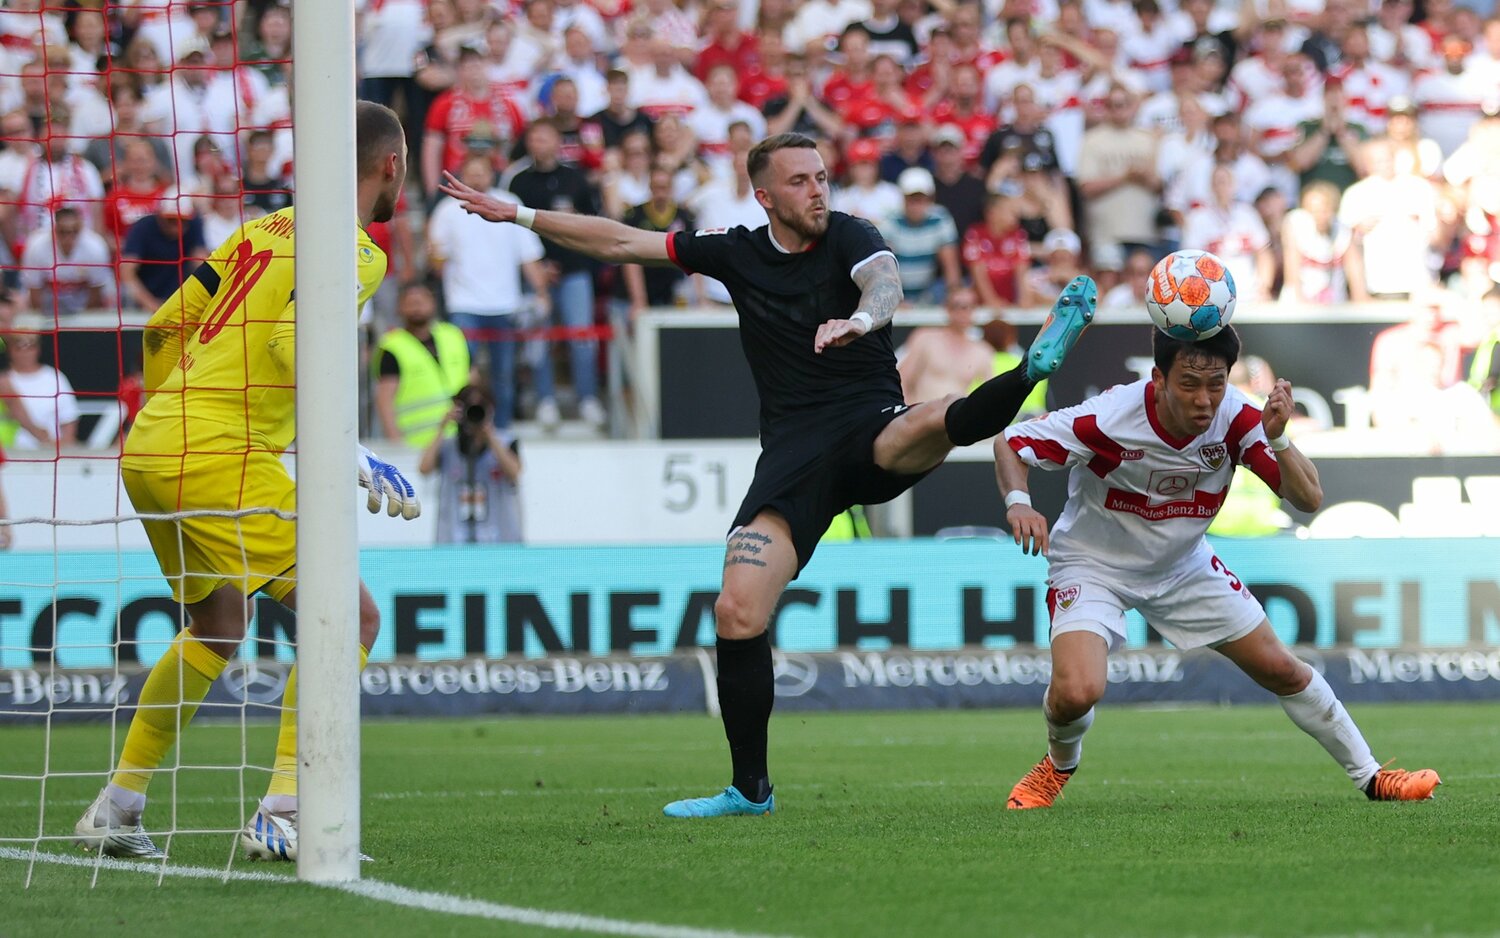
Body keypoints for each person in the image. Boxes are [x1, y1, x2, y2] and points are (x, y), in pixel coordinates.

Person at [438, 131, 1098, 818]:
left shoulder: (850, 234)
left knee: (931, 420)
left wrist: (860, 320)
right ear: (765, 196)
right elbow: (619, 242)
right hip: (792, 457)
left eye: (821, 176)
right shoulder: (738, 252)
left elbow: (886, 283)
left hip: (869, 422)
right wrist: (517, 215)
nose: (819, 190)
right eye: (801, 182)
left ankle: (1029, 369)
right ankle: (750, 790)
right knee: (737, 610)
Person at [74, 101, 421, 862]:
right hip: (220, 452)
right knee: (352, 617)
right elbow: (293, 342)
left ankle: (118, 805)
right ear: (390, 165)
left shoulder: (259, 230)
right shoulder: (358, 250)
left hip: (153, 446)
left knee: (218, 626)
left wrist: (172, 411)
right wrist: (351, 452)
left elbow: (164, 326)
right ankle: (285, 809)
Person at [994, 325, 1441, 809]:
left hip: (1182, 564)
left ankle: (1373, 777)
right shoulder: (1109, 417)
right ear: (1158, 379)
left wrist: (1279, 440)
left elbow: (1309, 498)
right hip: (1093, 564)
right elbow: (1012, 444)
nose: (1205, 399)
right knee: (1077, 692)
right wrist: (1018, 502)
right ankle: (1058, 766)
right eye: (1189, 384)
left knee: (1282, 669)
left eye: (1217, 383)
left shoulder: (1239, 420)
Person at [427, 153, 550, 429]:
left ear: (491, 174)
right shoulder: (447, 210)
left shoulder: (511, 204)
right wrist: (434, 256)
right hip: (463, 303)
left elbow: (528, 256)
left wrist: (542, 292)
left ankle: (502, 430)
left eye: (481, 171)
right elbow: (437, 262)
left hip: (505, 303)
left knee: (504, 374)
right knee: (459, 373)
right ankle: (460, 428)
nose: (477, 177)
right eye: (471, 172)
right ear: (462, 175)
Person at [419, 383, 524, 544]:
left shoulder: (505, 442)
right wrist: (443, 427)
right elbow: (424, 468)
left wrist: (489, 434)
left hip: (500, 541)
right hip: (456, 541)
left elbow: (514, 472)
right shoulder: (448, 447)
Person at [374, 282, 472, 447]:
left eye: (421, 302)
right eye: (410, 303)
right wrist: (396, 443)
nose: (416, 308)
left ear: (433, 303)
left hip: (459, 439)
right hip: (416, 444)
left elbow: (472, 378)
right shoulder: (392, 346)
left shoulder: (453, 336)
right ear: (399, 308)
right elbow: (384, 400)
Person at [896, 286, 994, 403]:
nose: (963, 312)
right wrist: (906, 412)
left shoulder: (982, 351)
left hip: (955, 418)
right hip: (922, 414)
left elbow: (988, 396)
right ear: (947, 308)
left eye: (969, 307)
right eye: (957, 306)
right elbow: (903, 379)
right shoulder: (926, 338)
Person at [118, 190, 207, 311]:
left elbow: (200, 261)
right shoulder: (142, 227)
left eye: (182, 221)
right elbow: (127, 272)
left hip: (181, 299)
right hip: (143, 300)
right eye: (171, 220)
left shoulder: (195, 224)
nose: (177, 227)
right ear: (159, 216)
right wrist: (151, 304)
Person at [0, 330, 78, 452]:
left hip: (50, 452)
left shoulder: (54, 377)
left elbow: (69, 417)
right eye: (19, 346)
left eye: (30, 346)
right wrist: (41, 436)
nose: (25, 352)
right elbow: (15, 410)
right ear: (10, 350)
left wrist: (65, 447)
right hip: (12, 452)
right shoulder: (4, 381)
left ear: (38, 348)